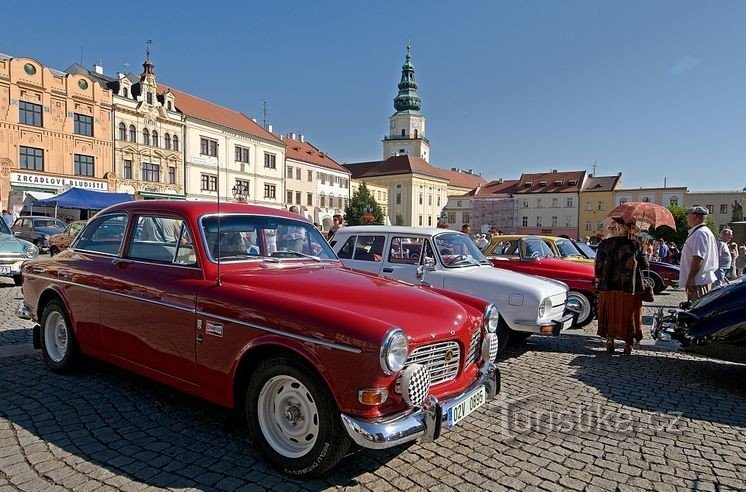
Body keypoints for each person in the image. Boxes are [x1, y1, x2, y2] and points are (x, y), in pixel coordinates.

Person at [594, 217, 648, 355]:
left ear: (622, 228)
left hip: (608, 286)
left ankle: (610, 341)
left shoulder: (605, 244)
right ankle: (628, 343)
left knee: (610, 313)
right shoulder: (636, 244)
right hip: (630, 287)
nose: (615, 228)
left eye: (617, 226)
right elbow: (645, 266)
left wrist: (598, 279)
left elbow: (598, 266)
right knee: (628, 314)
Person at [679, 206, 718, 302]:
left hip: (698, 282)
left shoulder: (700, 233)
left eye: (688, 215)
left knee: (697, 311)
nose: (686, 218)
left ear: (695, 217)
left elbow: (698, 258)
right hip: (699, 280)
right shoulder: (700, 232)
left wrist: (690, 279)